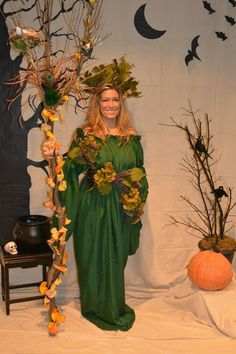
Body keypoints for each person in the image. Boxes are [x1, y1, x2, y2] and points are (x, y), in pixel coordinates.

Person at [43, 82, 148, 331]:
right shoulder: (87, 135)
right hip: (93, 204)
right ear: (97, 104)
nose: (110, 105)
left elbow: (140, 171)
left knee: (116, 256)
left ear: (120, 103)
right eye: (105, 100)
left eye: (115, 100)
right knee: (92, 255)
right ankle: (94, 306)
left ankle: (112, 305)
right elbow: (70, 167)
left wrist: (136, 201)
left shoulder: (131, 136)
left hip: (121, 205)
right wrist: (54, 157)